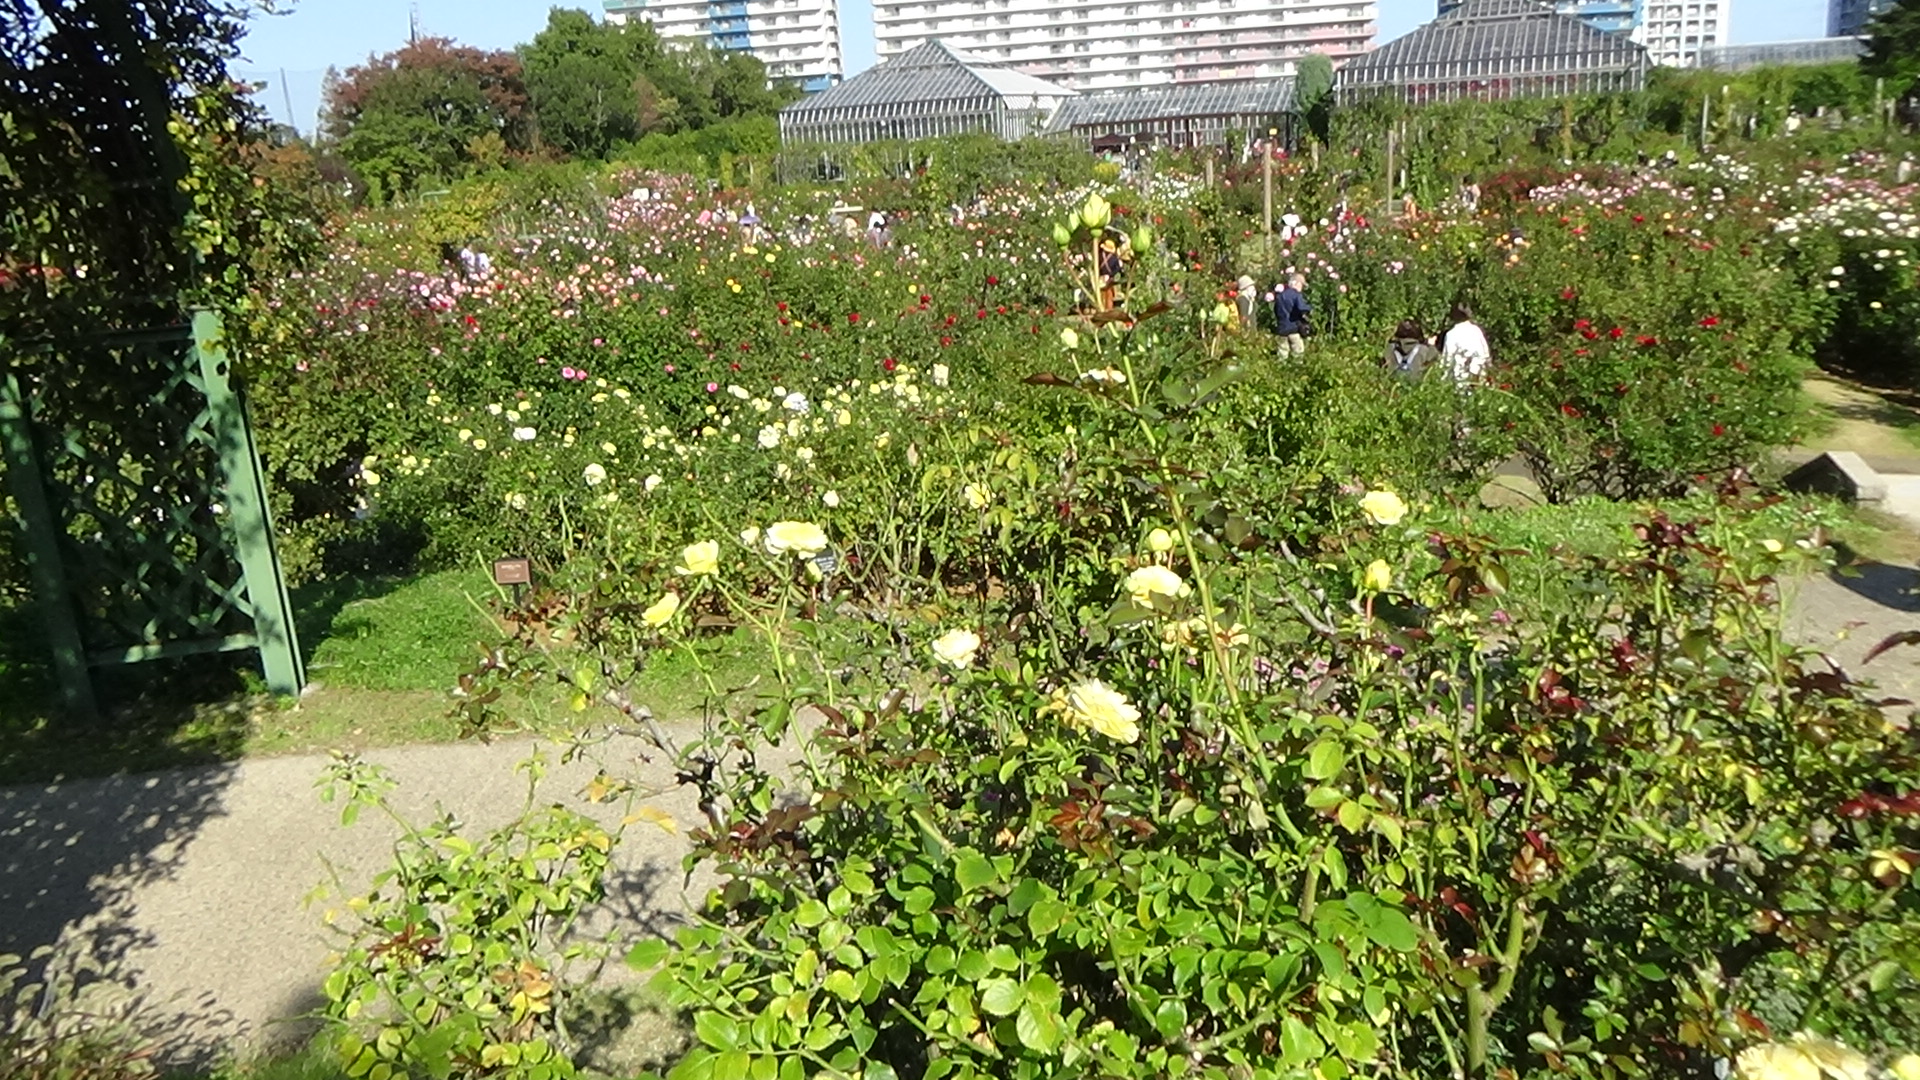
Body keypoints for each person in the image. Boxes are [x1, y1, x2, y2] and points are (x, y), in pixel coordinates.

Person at [1437, 303, 1491, 382]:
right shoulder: (1476, 331)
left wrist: (1443, 378)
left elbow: (1448, 359)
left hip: (1459, 380)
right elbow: (1485, 354)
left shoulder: (1452, 334)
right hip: (1478, 380)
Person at [1271, 274, 1310, 357]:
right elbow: (1301, 308)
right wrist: (1309, 308)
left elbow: (1275, 310)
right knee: (1298, 350)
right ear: (1297, 284)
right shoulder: (1296, 295)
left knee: (1282, 351)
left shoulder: (1280, 296)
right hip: (1293, 327)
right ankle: (1296, 368)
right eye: (1302, 285)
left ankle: (1281, 367)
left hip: (1281, 327)